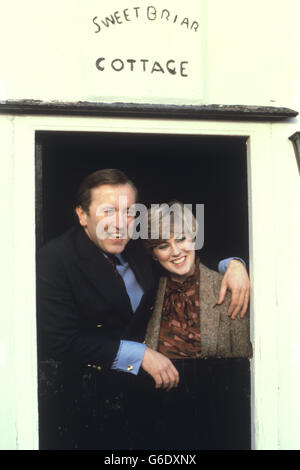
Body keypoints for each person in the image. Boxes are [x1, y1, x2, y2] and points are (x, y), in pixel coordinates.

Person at [37, 169, 251, 449]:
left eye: (128, 212)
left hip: (166, 406)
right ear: (82, 215)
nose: (119, 223)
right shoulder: (55, 259)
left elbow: (182, 250)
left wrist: (234, 264)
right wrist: (139, 355)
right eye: (107, 211)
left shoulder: (138, 242)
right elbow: (59, 341)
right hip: (93, 407)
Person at [135, 201, 252, 450]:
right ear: (153, 253)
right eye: (163, 245)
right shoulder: (147, 295)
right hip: (159, 428)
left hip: (218, 426)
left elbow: (242, 371)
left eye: (182, 239)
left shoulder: (229, 288)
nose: (176, 251)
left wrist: (236, 263)